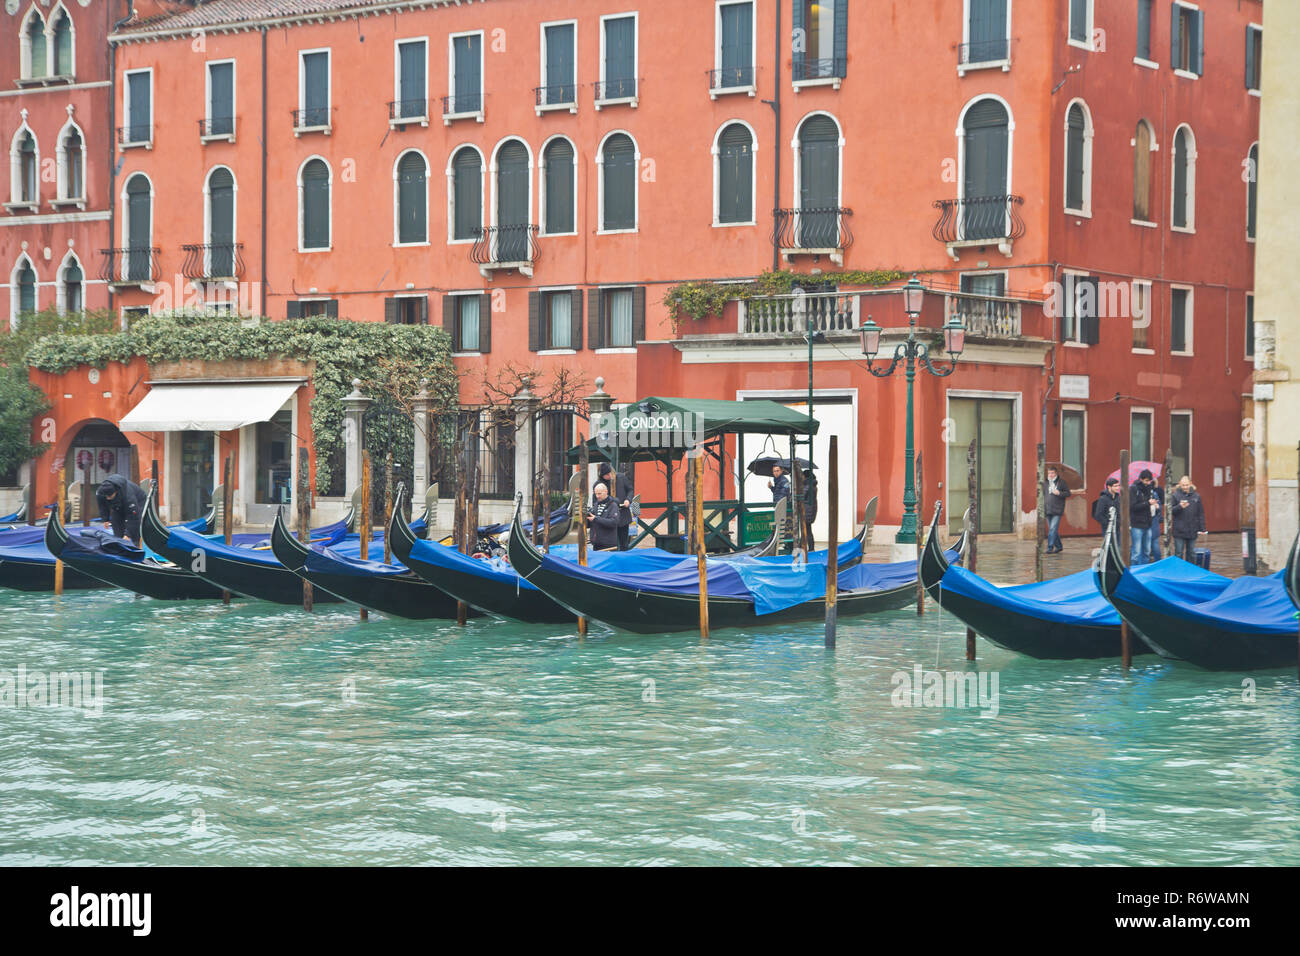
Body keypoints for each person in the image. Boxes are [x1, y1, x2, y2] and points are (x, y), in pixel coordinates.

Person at [96, 474, 147, 545]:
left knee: (134, 526)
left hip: (139, 501)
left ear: (116, 492)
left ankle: (135, 545)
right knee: (116, 522)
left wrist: (128, 534)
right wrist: (105, 519)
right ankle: (119, 543)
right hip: (118, 502)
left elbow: (133, 518)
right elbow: (102, 506)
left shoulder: (129, 497)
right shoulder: (101, 493)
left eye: (110, 496)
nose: (107, 498)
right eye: (106, 496)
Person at [596, 462, 634, 551]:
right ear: (602, 476)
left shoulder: (621, 477)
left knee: (624, 543)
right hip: (609, 517)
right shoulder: (600, 484)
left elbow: (630, 490)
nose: (609, 476)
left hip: (623, 514)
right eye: (606, 475)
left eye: (610, 473)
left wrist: (628, 499)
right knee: (610, 544)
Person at [1169, 475, 1206, 562]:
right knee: (1179, 553)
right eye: (1183, 485)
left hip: (1192, 528)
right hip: (1179, 529)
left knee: (1191, 552)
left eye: (1187, 485)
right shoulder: (1175, 496)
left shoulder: (1196, 496)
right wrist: (1179, 506)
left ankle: (1190, 571)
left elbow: (1200, 512)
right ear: (1180, 485)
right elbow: (1170, 511)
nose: (1185, 487)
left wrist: (1202, 528)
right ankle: (1178, 571)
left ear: (1190, 484)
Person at [1128, 469, 1161, 566]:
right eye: (1146, 480)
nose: (1148, 483)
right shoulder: (1134, 489)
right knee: (1136, 552)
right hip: (1137, 524)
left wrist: (1155, 505)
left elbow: (1153, 502)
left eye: (1149, 481)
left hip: (1148, 523)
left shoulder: (1150, 489)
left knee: (1147, 551)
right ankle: (1134, 570)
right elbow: (1133, 507)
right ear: (1141, 479)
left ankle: (1144, 569)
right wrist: (1148, 503)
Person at [587, 482, 627, 551]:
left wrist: (595, 519)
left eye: (599, 494)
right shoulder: (596, 505)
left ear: (606, 492)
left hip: (608, 545)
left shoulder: (613, 505)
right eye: (596, 494)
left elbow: (614, 522)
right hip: (596, 543)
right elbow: (592, 523)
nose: (597, 496)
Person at [1043, 466, 1071, 554]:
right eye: (1049, 473)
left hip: (1057, 509)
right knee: (1053, 529)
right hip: (1047, 509)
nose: (1050, 475)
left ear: (1056, 473)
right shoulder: (1045, 483)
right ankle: (1059, 546)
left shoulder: (1061, 482)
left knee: (1052, 529)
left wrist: (1059, 493)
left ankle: (1050, 547)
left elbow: (1068, 493)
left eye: (1052, 473)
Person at [800, 467, 818, 551]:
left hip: (807, 511)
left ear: (806, 476)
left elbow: (802, 496)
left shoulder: (807, 486)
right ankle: (810, 548)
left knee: (806, 530)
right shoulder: (812, 485)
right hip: (810, 511)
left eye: (802, 476)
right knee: (807, 530)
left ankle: (809, 548)